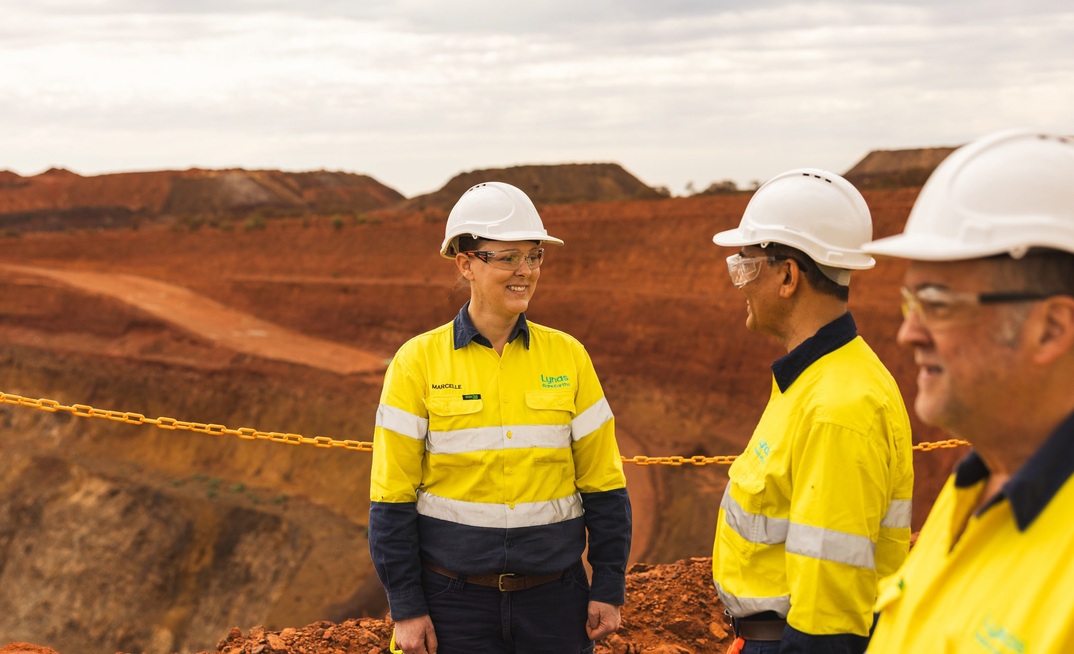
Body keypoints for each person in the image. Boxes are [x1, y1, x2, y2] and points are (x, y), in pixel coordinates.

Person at [368, 181, 632, 654]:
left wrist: (608, 586)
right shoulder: (417, 362)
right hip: (454, 605)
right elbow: (391, 500)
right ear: (465, 264)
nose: (525, 271)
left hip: (557, 603)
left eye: (534, 257)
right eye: (508, 257)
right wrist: (407, 607)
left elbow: (605, 485)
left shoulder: (569, 357)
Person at [861, 129, 1074, 651]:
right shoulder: (970, 492)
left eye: (936, 304)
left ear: (1050, 329)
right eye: (910, 303)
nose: (908, 333)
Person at [709, 168, 915, 653]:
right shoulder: (816, 381)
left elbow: (829, 613)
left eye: (747, 265)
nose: (739, 283)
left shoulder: (837, 408)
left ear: (787, 276)